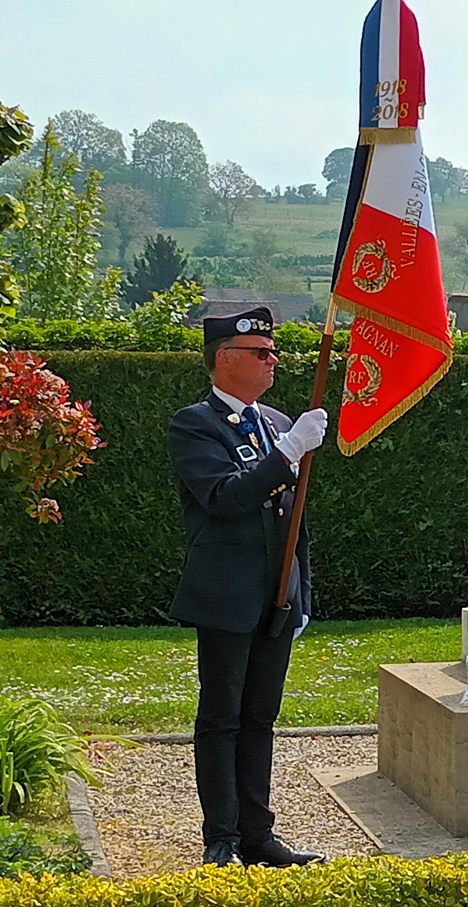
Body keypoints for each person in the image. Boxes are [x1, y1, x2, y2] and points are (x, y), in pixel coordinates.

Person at [167, 307, 330, 868]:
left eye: (272, 352)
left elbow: (294, 518)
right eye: (261, 353)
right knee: (221, 717)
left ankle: (258, 835)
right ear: (225, 360)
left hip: (276, 595)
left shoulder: (277, 420)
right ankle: (223, 837)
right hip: (227, 594)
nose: (273, 361)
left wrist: (301, 590)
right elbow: (225, 497)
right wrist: (287, 452)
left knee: (261, 718)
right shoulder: (195, 424)